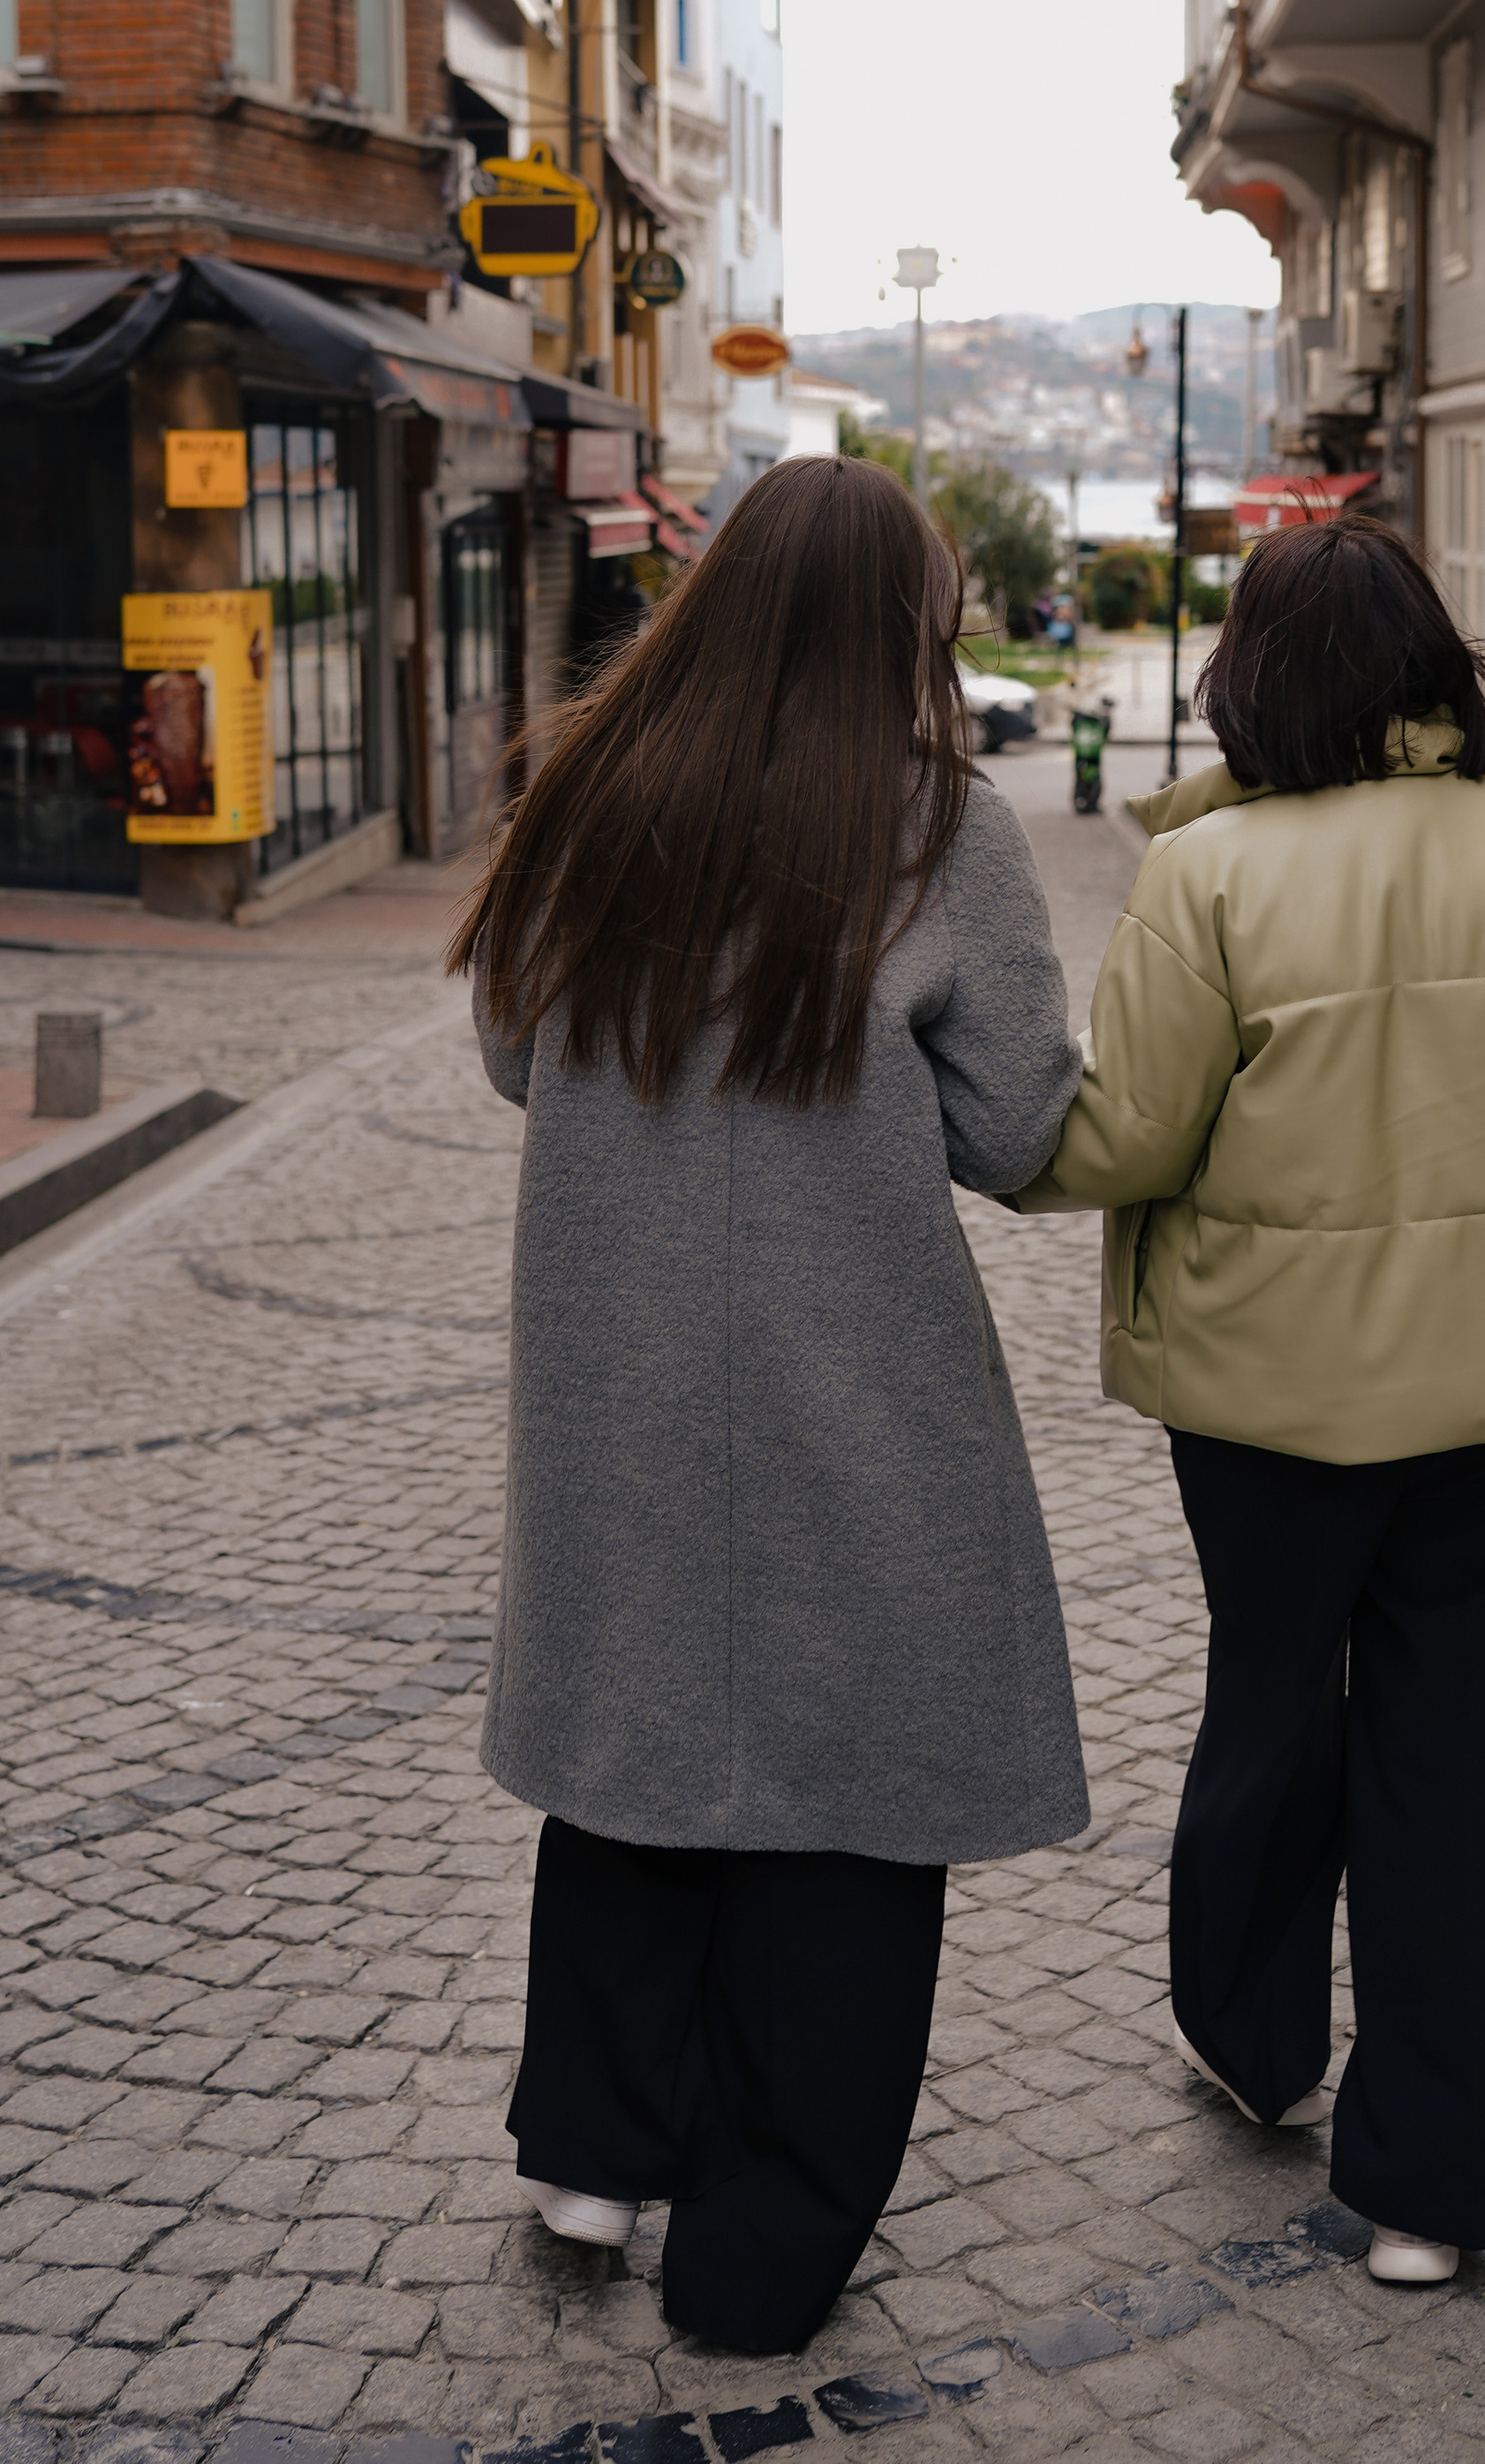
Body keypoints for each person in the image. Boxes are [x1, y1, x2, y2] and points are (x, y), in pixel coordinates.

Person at [449, 454, 1087, 2356]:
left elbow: (506, 1051)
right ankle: (761, 2249)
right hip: (853, 1363)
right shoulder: (932, 826)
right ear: (908, 620)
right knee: (847, 1793)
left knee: (632, 1736)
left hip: (616, 1355)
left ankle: (586, 2149)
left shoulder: (586, 789)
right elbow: (1015, 1124)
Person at [1016, 514, 1485, 2286]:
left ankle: (1251, 2038)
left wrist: (979, 1133)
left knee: (1268, 1701)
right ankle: (1437, 2192)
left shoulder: (1209, 876)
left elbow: (1132, 1137)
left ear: (1255, 674)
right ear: (1434, 670)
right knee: (1481, 1772)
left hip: (1262, 1404)